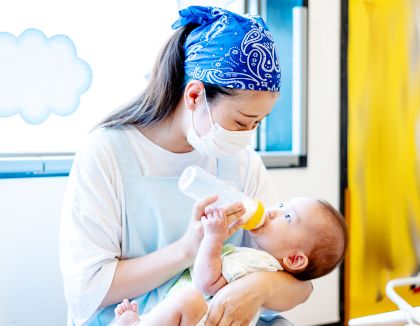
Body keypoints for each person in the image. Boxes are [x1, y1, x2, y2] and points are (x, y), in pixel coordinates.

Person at [59, 6, 313, 326]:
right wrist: (186, 249)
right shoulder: (106, 152)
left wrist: (260, 288)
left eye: (258, 124)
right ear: (194, 96)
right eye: (241, 122)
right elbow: (86, 289)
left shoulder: (242, 161)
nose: (247, 138)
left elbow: (300, 281)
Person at [114, 197, 348, 326]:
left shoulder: (256, 263)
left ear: (295, 258)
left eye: (287, 216)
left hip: (199, 320)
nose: (272, 211)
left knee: (189, 300)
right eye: (281, 204)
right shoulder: (260, 263)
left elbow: (206, 282)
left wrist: (213, 238)